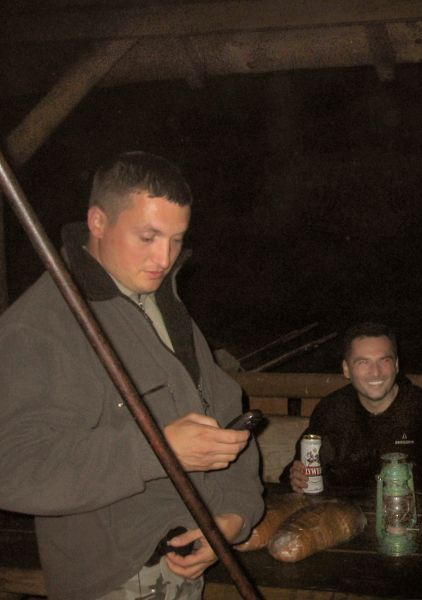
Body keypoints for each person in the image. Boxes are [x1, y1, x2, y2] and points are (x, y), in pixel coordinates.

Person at [0, 152, 264, 599]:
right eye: (147, 237)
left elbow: (225, 415)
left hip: (189, 564)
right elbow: (12, 466)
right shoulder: (41, 325)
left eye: (176, 239)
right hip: (114, 580)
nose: (164, 257)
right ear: (98, 222)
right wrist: (156, 450)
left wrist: (235, 515)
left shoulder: (167, 308)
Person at [282, 322, 422, 491]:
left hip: (408, 509)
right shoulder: (331, 410)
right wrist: (296, 477)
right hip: (341, 509)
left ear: (396, 365)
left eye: (384, 361)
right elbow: (297, 470)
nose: (375, 372)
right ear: (346, 369)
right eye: (363, 362)